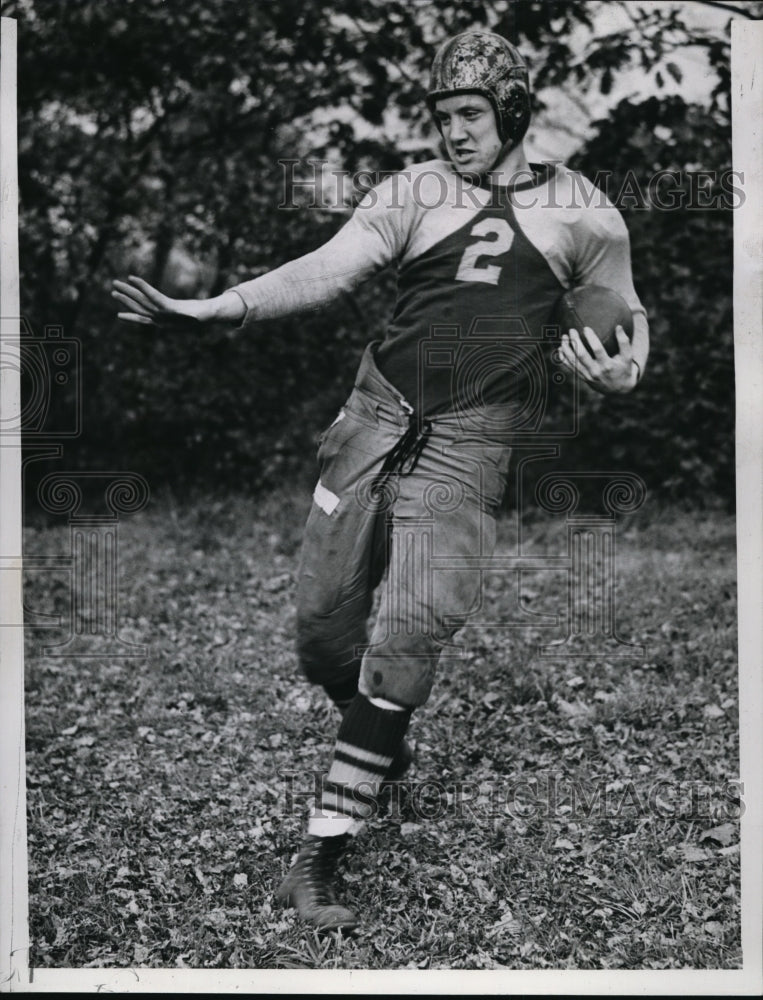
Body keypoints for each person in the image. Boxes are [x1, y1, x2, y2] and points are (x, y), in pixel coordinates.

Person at [113, 30, 649, 932]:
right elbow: (326, 267)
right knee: (324, 638)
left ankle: (319, 856)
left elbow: (623, 332)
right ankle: (376, 732)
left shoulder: (584, 212)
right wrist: (220, 306)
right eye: (442, 118)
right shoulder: (412, 192)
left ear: (513, 110)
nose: (454, 134)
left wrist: (618, 372)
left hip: (469, 448)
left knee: (407, 634)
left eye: (470, 115)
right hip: (371, 420)